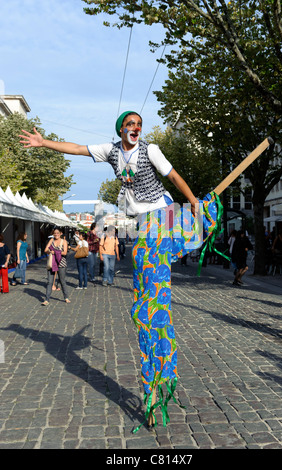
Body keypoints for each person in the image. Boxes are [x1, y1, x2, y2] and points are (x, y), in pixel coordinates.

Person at [19, 111, 218, 428]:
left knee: (158, 287)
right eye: (130, 125)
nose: (136, 129)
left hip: (164, 217)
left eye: (139, 125)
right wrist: (44, 143)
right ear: (121, 130)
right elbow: (77, 148)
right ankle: (153, 383)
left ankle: (200, 227)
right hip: (144, 228)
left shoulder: (150, 150)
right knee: (150, 298)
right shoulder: (110, 151)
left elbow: (174, 177)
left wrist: (194, 202)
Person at [42, 227, 70, 306]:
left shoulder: (64, 241)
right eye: (55, 233)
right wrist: (50, 251)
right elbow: (45, 250)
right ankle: (46, 299)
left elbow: (65, 253)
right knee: (49, 282)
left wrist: (56, 252)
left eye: (58, 233)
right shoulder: (51, 240)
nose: (56, 234)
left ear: (61, 233)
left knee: (62, 281)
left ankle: (66, 297)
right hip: (52, 262)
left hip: (61, 263)